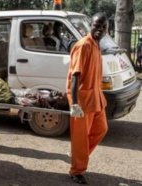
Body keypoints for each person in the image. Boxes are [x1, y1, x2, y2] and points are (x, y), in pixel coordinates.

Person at [66, 12, 108, 184]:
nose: (100, 29)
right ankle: (76, 171)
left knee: (101, 129)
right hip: (82, 101)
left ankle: (78, 154)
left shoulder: (97, 45)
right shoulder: (84, 45)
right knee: (81, 138)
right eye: (97, 25)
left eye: (103, 26)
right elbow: (75, 76)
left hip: (96, 97)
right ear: (90, 25)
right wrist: (74, 104)